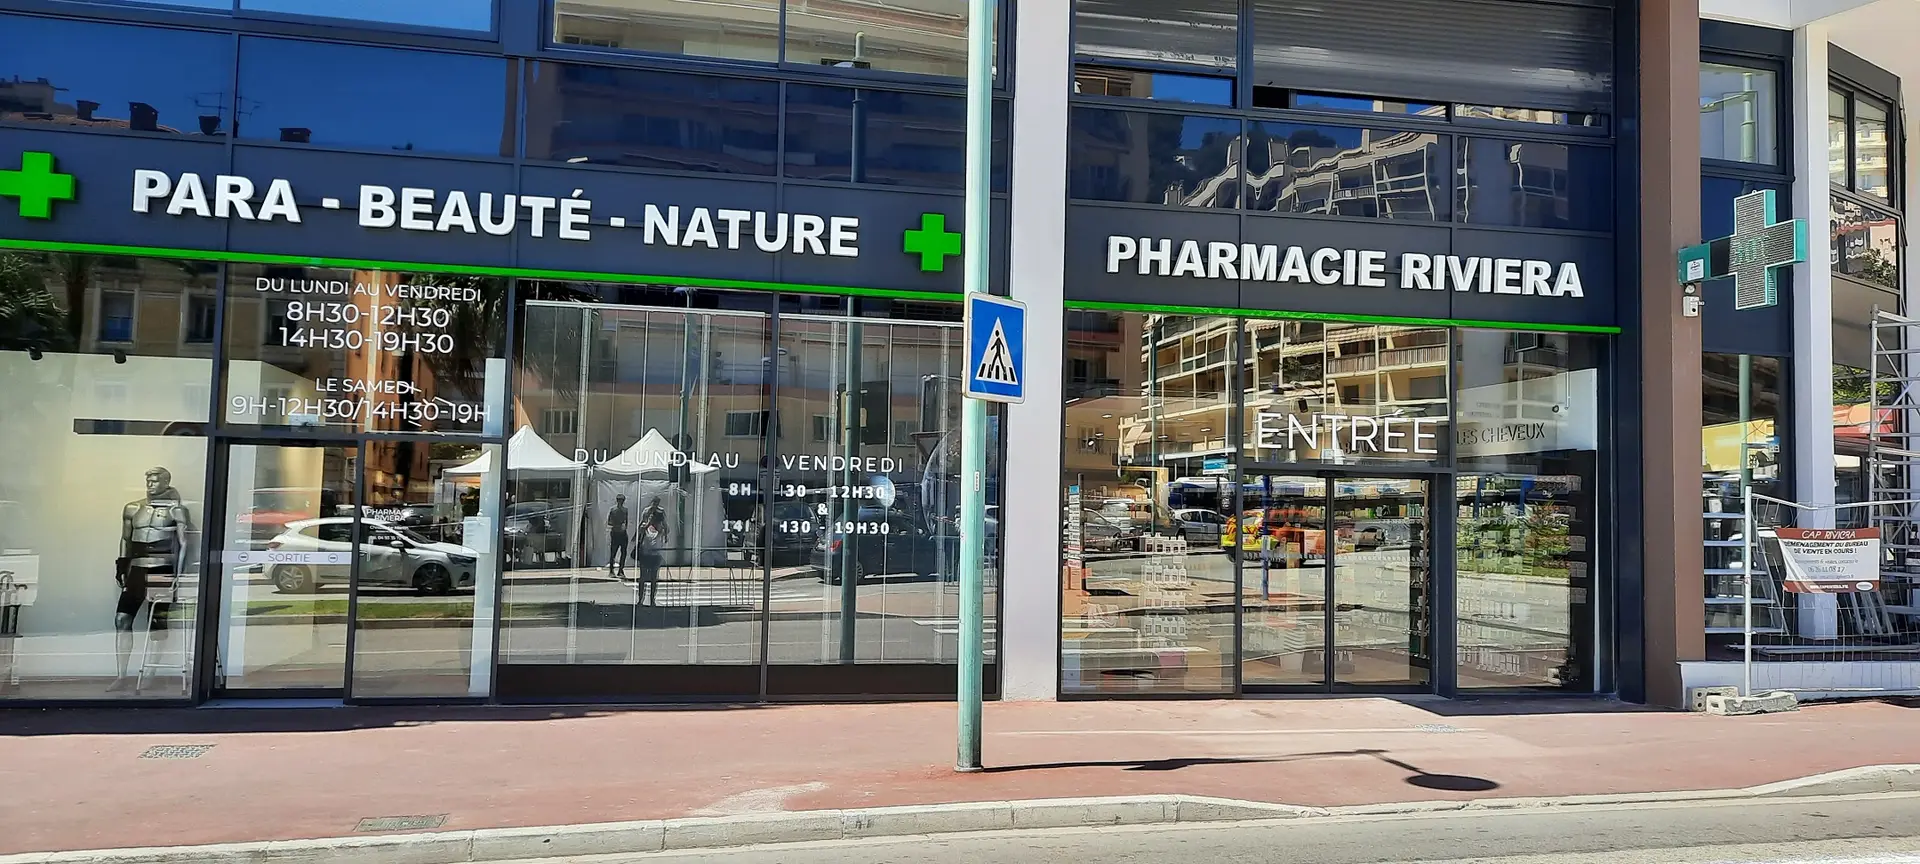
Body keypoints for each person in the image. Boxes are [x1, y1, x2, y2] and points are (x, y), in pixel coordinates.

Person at [635, 496, 667, 605]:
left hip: (655, 554)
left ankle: (651, 600)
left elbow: (666, 530)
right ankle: (641, 599)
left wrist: (659, 524)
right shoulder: (646, 527)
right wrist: (648, 523)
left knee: (653, 578)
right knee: (643, 577)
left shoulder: (660, 530)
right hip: (646, 553)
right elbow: (641, 529)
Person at [606, 494, 630, 578]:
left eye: (622, 500)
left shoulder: (625, 510)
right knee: (613, 552)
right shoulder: (613, 510)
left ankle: (621, 570)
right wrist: (617, 524)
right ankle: (611, 570)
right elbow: (609, 522)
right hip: (615, 533)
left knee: (624, 552)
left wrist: (624, 526)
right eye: (619, 500)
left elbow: (626, 521)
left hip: (623, 533)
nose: (621, 502)